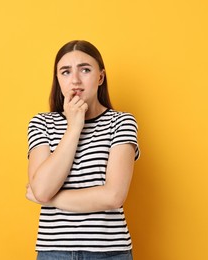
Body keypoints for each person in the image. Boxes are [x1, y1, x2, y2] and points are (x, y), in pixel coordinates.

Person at [26, 40, 140, 260]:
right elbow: (41, 188)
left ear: (100, 77)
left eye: (85, 70)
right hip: (53, 252)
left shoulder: (122, 122)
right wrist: (74, 126)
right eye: (66, 72)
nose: (75, 80)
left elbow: (114, 196)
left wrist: (50, 199)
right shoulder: (41, 123)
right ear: (58, 79)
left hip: (109, 252)